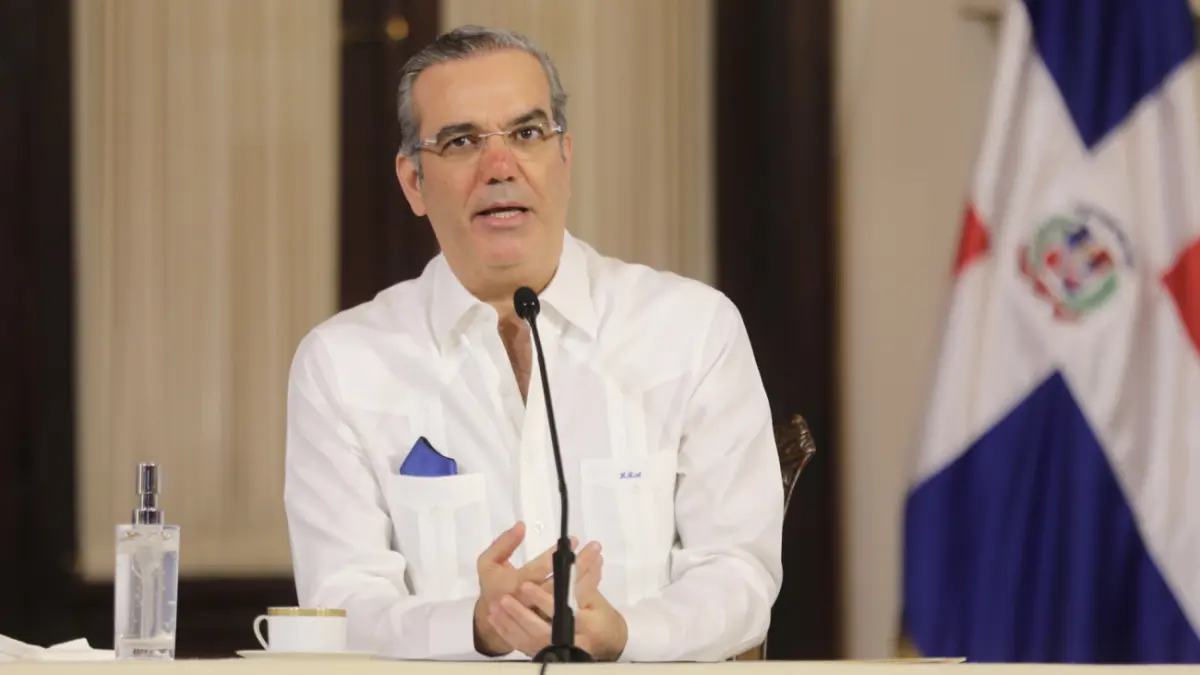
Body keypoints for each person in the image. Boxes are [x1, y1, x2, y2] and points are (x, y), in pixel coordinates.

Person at [283, 25, 784, 662]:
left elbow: (739, 573)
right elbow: (340, 600)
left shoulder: (690, 331)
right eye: (461, 142)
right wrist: (476, 627)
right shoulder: (343, 364)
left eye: (526, 134)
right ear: (413, 183)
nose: (500, 168)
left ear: (564, 157)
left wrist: (625, 635)